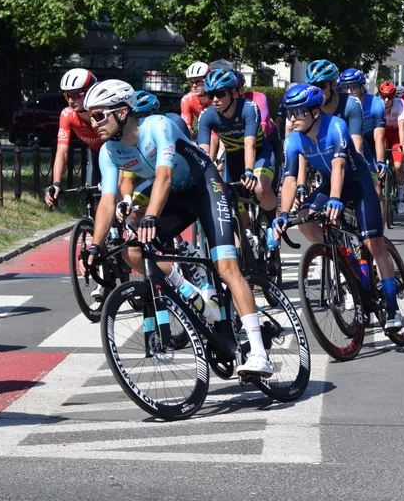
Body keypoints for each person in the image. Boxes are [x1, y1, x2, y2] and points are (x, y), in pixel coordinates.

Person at [83, 79, 273, 376]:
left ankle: (260, 353)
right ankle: (191, 292)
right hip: (178, 198)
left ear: (121, 112)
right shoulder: (109, 151)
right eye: (89, 117)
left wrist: (151, 217)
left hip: (206, 187)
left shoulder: (157, 125)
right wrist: (94, 245)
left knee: (226, 266)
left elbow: (164, 177)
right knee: (130, 252)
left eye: (97, 115)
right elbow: (108, 202)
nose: (92, 124)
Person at [273, 84, 403, 330]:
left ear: (314, 112)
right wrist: (282, 213)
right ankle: (343, 257)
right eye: (289, 112)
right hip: (330, 184)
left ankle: (393, 308)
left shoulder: (335, 126)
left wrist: (335, 198)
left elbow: (340, 167)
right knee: (304, 217)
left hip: (357, 182)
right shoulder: (292, 139)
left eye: (298, 112)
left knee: (374, 244)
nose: (292, 118)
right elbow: (289, 178)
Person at [197, 69, 279, 244]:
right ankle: (248, 250)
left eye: (220, 94)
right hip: (233, 159)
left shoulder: (248, 108)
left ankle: (273, 225)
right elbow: (203, 153)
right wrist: (200, 176)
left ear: (232, 93)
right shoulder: (207, 116)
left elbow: (250, 144)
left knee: (259, 188)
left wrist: (249, 171)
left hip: (259, 153)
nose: (215, 100)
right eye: (211, 95)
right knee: (239, 212)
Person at [45, 68, 102, 207]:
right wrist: (56, 184)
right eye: (67, 96)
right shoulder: (67, 115)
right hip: (95, 153)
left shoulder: (103, 112)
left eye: (76, 95)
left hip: (115, 155)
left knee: (113, 195)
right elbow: (62, 152)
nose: (70, 101)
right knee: (92, 196)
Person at [339, 68, 388, 196]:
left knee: (376, 187)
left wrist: (380, 161)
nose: (349, 92)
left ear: (362, 88)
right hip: (347, 140)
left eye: (353, 87)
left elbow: (379, 137)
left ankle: (380, 215)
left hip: (369, 139)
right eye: (345, 88)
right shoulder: (341, 104)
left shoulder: (376, 103)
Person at [379, 80, 404, 214]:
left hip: (396, 133)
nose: (386, 100)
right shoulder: (377, 104)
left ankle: (401, 198)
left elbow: (402, 126)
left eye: (389, 97)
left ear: (394, 96)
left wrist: (403, 144)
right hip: (382, 132)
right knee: (377, 161)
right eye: (383, 96)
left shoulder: (400, 103)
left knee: (398, 166)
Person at [179, 61, 211, 137]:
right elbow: (186, 128)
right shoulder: (187, 99)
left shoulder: (219, 96)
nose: (194, 86)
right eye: (191, 82)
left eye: (198, 81)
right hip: (205, 132)